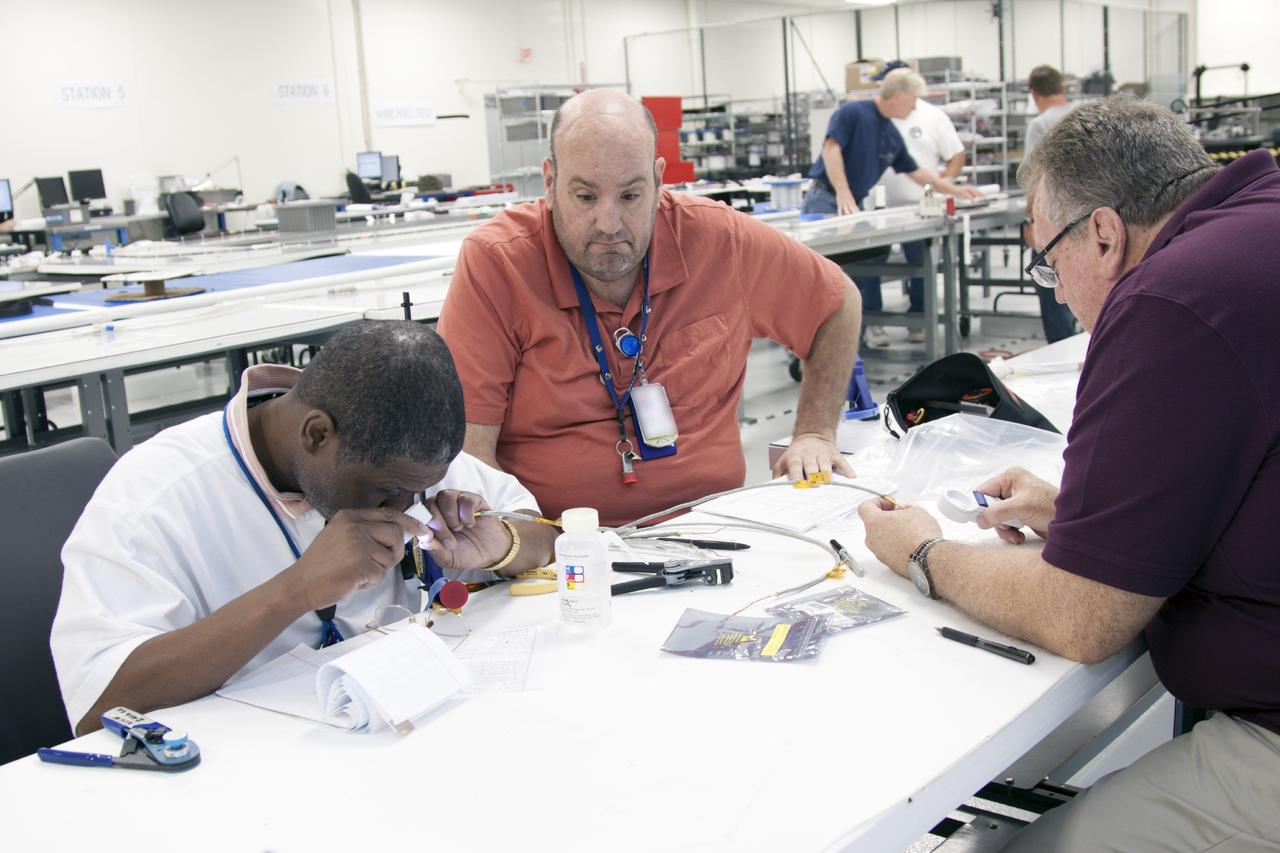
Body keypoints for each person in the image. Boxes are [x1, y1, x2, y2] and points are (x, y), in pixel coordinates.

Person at [859, 96, 1280, 850]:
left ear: (1105, 234)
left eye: (1051, 263)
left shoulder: (1170, 297)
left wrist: (923, 553)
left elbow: (1083, 617)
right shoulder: (1256, 225)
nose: (1060, 292)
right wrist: (1096, 520)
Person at [52, 321, 557, 735]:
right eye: (385, 493)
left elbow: (553, 539)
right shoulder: (155, 497)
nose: (407, 510)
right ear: (317, 435)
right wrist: (293, 592)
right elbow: (100, 704)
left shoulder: (402, 456)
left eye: (420, 492)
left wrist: (501, 545)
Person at [438, 89, 862, 528]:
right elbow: (472, 456)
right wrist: (514, 549)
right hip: (558, 553)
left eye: (630, 196)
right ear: (550, 182)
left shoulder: (721, 242)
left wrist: (814, 432)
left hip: (713, 530)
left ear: (659, 181)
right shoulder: (498, 263)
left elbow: (836, 303)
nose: (608, 223)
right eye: (585, 197)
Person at [802, 68, 982, 347]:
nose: (913, 108)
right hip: (827, 199)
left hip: (853, 204)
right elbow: (831, 148)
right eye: (912, 101)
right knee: (826, 277)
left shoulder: (889, 133)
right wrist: (843, 190)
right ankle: (814, 343)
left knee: (857, 272)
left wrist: (957, 190)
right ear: (897, 95)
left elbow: (918, 173)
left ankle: (848, 340)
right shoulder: (853, 113)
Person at [872, 63, 967, 346]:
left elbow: (956, 154)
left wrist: (943, 186)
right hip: (877, 207)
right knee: (871, 265)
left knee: (922, 264)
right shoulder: (877, 117)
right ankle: (873, 323)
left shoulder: (931, 115)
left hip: (919, 207)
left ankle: (919, 321)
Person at [1023, 64, 1079, 343]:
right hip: (1091, 217)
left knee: (1051, 284)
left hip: (1056, 217)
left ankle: (1061, 346)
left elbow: (1035, 177)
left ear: (1034, 93)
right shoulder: (1086, 112)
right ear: (1063, 88)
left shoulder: (1041, 124)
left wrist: (1031, 222)